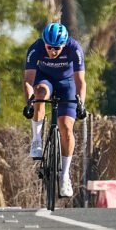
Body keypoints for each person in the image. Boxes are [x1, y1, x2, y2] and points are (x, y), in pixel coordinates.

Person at [23, 22, 87, 198]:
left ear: (64, 44)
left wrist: (81, 104)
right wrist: (30, 102)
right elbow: (28, 80)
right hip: (45, 80)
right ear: (44, 43)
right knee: (40, 93)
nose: (53, 51)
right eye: (49, 47)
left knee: (66, 127)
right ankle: (36, 140)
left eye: (57, 48)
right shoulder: (35, 49)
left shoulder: (74, 49)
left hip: (67, 84)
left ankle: (65, 175)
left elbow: (80, 82)